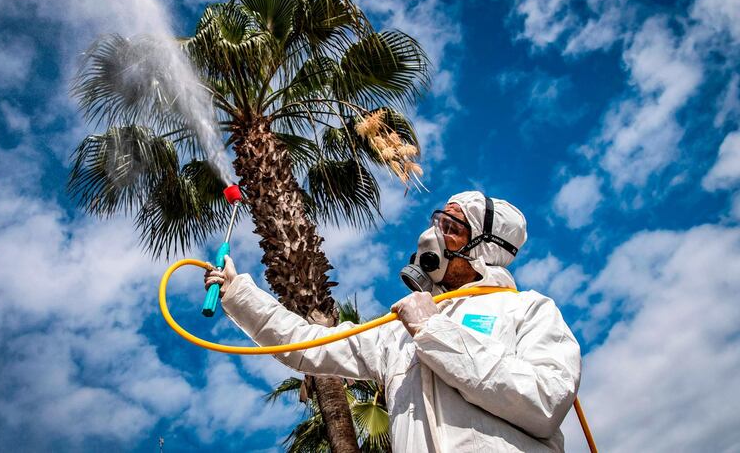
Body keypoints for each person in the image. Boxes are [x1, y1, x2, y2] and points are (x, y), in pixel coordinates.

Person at [205, 191, 581, 452]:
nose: (434, 235)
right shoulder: (395, 334)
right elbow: (306, 344)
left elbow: (544, 401)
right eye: (439, 221)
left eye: (452, 227)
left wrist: (434, 331)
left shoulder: (528, 310)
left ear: (484, 249)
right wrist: (239, 293)